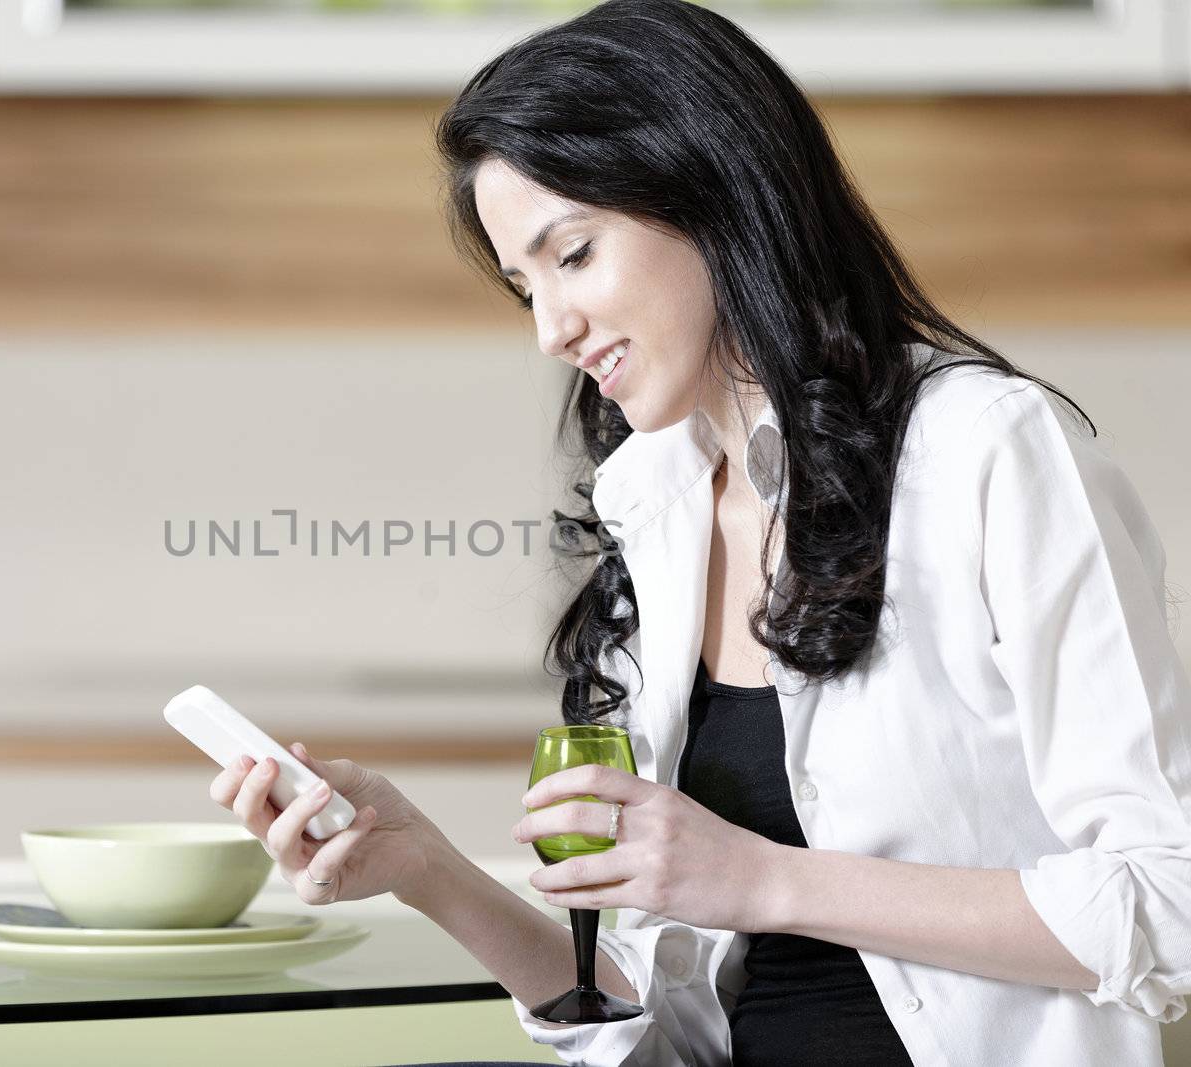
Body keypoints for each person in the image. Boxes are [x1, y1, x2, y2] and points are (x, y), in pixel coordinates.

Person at [208, 1, 1191, 1064]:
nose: (550, 330)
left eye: (573, 254)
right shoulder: (658, 503)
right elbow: (664, 1023)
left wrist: (761, 878)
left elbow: (1168, 901)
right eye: (522, 287)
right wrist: (424, 867)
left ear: (715, 191)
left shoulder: (986, 451)